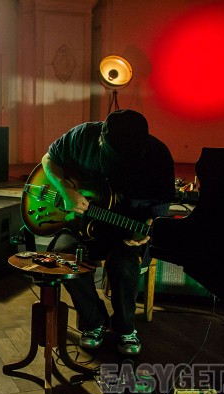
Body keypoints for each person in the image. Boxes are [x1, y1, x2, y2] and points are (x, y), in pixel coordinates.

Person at [41, 109, 174, 355]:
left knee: (124, 265)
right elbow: (49, 159)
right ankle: (94, 322)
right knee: (63, 257)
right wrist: (66, 191)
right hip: (79, 224)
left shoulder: (158, 155)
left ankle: (125, 328)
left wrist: (148, 226)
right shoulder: (83, 136)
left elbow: (161, 205)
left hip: (125, 228)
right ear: (101, 140)